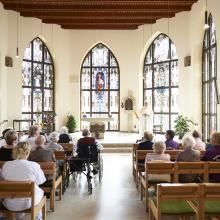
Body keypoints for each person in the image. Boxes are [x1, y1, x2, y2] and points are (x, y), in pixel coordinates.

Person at [1, 142, 46, 220]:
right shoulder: (34, 165)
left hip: (9, 203)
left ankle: (19, 217)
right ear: (28, 152)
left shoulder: (6, 165)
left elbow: (2, 179)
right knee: (40, 191)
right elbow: (41, 181)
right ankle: (38, 217)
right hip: (29, 203)